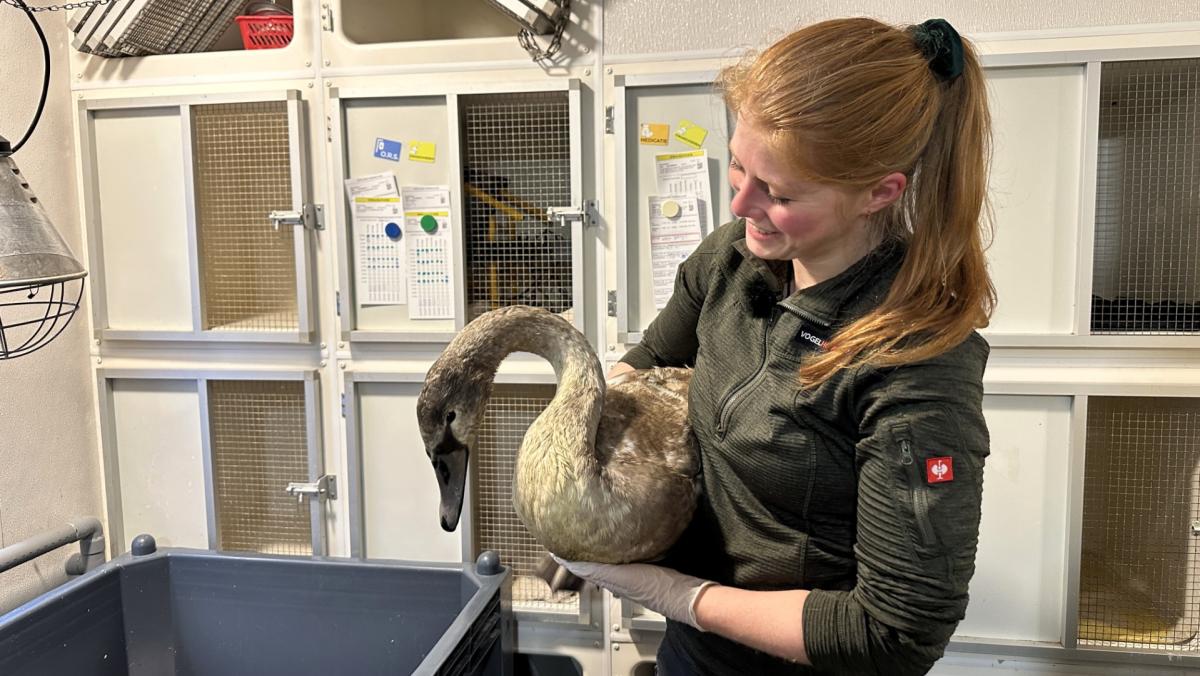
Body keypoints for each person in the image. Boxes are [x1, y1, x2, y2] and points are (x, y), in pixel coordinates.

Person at [556, 16, 995, 676]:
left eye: (779, 192)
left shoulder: (918, 367)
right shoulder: (732, 261)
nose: (739, 203)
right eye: (737, 165)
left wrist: (678, 594)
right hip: (692, 654)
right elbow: (648, 366)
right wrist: (580, 485)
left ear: (880, 191)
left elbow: (894, 634)